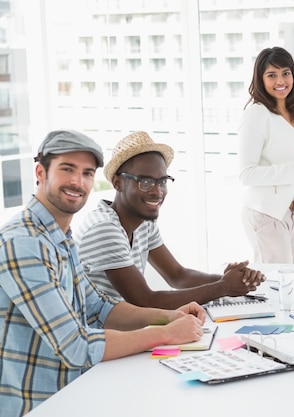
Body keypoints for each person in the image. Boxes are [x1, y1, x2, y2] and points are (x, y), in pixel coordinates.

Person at [0, 130, 206, 416]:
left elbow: (99, 307)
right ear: (40, 172)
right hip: (40, 405)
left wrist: (169, 316)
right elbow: (75, 346)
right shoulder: (23, 243)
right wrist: (165, 333)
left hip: (80, 390)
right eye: (67, 169)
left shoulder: (61, 237)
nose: (78, 182)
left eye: (86, 173)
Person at [74, 131, 265, 310]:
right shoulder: (104, 229)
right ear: (118, 183)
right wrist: (223, 287)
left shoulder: (143, 222)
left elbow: (178, 276)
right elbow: (145, 301)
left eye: (162, 181)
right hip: (103, 337)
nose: (157, 191)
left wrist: (230, 279)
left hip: (128, 328)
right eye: (145, 182)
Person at [238, 46, 294, 264]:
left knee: (287, 282)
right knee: (274, 284)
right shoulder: (256, 115)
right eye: (271, 75)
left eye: (286, 73)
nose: (280, 81)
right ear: (260, 79)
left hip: (293, 212)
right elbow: (246, 174)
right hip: (268, 212)